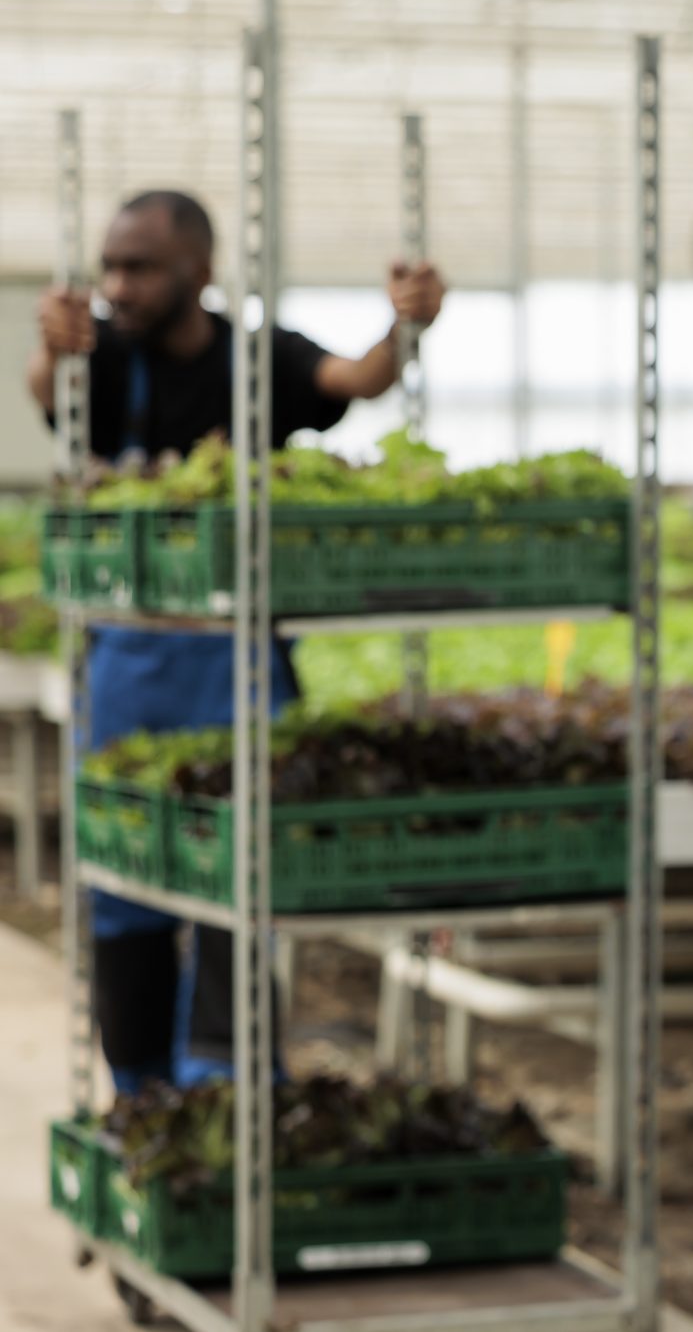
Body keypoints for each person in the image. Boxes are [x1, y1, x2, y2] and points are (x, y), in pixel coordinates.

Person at [28, 188, 444, 1090]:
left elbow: (357, 379)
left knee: (240, 887)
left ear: (199, 271)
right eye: (110, 266)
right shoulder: (104, 357)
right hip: (130, 677)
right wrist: (50, 346)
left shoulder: (261, 356)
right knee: (126, 901)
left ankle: (226, 1092)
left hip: (239, 676)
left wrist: (407, 328)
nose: (118, 285)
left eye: (140, 266)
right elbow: (47, 397)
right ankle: (143, 1095)